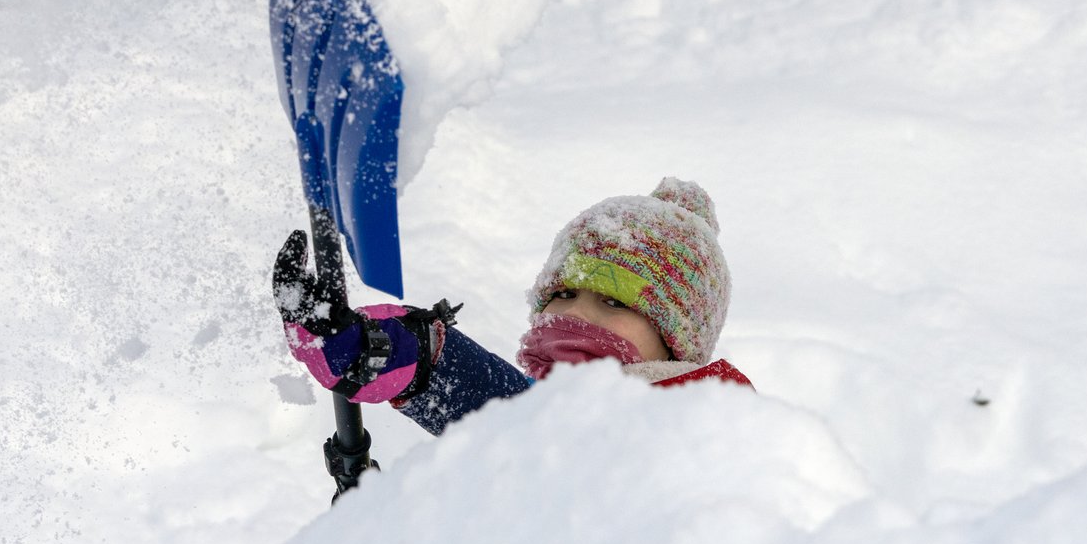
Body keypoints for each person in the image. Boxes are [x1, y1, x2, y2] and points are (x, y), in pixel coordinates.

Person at [272, 177, 751, 439]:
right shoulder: (540, 420)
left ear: (677, 343)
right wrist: (368, 347)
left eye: (611, 301)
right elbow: (461, 383)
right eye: (562, 295)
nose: (577, 317)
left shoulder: (712, 438)